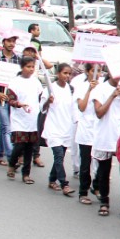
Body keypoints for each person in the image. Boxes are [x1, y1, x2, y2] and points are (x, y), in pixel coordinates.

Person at [91, 71, 120, 218]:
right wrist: (113, 96)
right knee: (104, 171)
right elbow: (99, 112)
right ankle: (104, 202)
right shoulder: (100, 89)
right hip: (105, 135)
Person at [5, 57, 46, 184]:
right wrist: (18, 104)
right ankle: (12, 163)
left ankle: (26, 174)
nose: (31, 69)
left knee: (29, 147)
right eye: (28, 66)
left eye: (32, 67)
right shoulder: (15, 82)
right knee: (19, 146)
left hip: (32, 119)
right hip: (19, 119)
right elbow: (9, 99)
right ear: (22, 67)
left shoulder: (36, 82)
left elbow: (42, 97)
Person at [42, 63, 78, 197]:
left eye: (69, 74)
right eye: (65, 73)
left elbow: (73, 109)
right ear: (58, 74)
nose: (67, 76)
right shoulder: (50, 89)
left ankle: (52, 180)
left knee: (60, 157)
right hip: (53, 128)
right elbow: (42, 108)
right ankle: (64, 184)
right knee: (58, 156)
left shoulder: (71, 89)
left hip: (66, 128)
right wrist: (48, 102)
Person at [0, 33, 21, 166]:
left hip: (12, 99)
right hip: (0, 98)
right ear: (3, 42)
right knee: (7, 127)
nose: (11, 43)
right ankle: (11, 157)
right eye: (9, 41)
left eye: (13, 41)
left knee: (5, 127)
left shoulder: (18, 59)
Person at [71, 65, 101, 205]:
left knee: (101, 163)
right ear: (87, 72)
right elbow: (81, 107)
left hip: (99, 131)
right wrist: (90, 90)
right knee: (85, 163)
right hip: (85, 131)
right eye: (94, 71)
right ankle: (83, 192)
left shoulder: (103, 88)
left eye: (100, 71)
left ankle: (96, 185)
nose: (97, 74)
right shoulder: (81, 87)